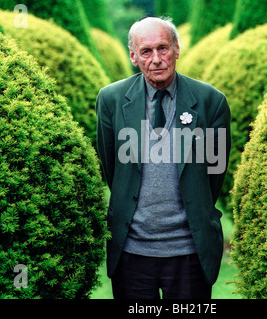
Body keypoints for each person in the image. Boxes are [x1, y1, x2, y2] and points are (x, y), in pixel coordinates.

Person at [95, 16, 231, 299]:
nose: (156, 58)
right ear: (133, 56)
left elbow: (214, 175)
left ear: (177, 49)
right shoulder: (111, 99)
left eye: (163, 48)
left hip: (189, 252)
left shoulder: (210, 101)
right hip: (131, 252)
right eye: (146, 51)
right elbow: (112, 168)